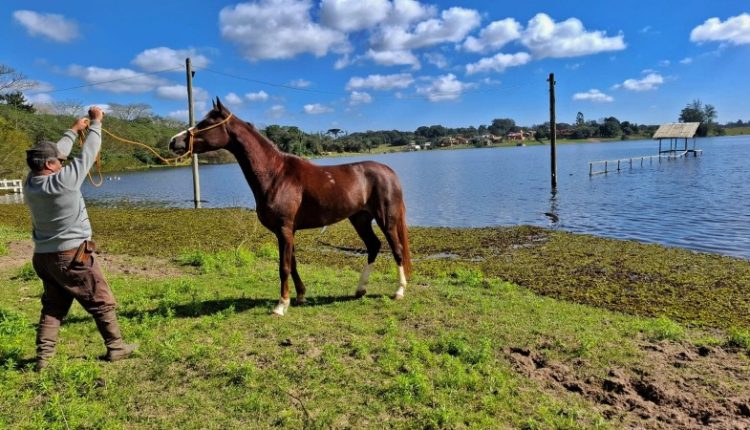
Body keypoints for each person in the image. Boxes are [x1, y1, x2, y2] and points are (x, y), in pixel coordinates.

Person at [24, 106, 137, 371]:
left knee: (53, 306)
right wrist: (96, 123)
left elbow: (59, 152)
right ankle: (117, 348)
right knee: (101, 300)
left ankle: (44, 359)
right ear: (51, 165)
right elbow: (89, 153)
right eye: (59, 161)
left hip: (43, 257)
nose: (63, 162)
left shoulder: (29, 182)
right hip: (72, 255)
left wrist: (74, 130)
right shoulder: (64, 181)